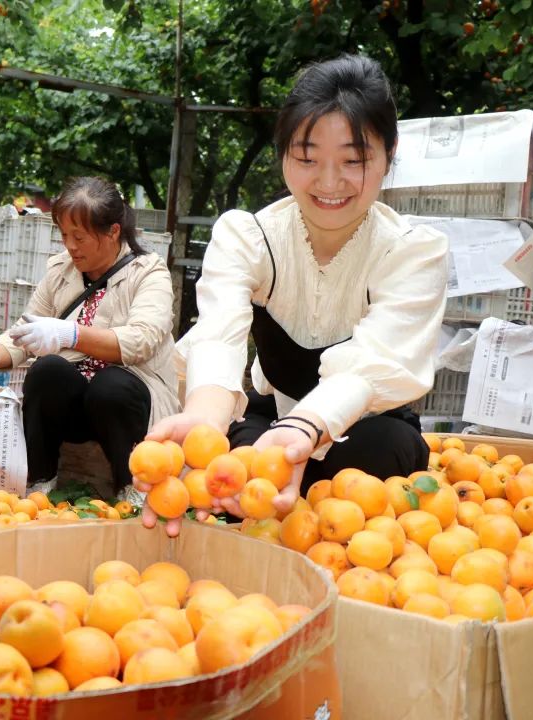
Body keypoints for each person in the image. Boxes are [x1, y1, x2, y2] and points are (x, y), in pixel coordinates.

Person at [142, 54, 448, 536]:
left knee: (374, 456)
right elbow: (219, 335)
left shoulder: (411, 251)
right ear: (283, 154)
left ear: (388, 155)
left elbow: (378, 359)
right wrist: (202, 425)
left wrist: (305, 429)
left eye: (353, 160)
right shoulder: (249, 238)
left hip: (369, 433)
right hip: (270, 419)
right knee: (241, 473)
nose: (328, 182)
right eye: (307, 158)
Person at [0, 176, 180, 497]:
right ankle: (40, 483)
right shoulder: (61, 271)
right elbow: (25, 328)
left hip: (125, 405)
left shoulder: (148, 273)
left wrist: (70, 334)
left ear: (112, 231)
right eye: (64, 235)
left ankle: (131, 489)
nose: (70, 245)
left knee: (111, 385)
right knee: (47, 371)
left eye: (79, 237)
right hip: (76, 404)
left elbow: (141, 340)